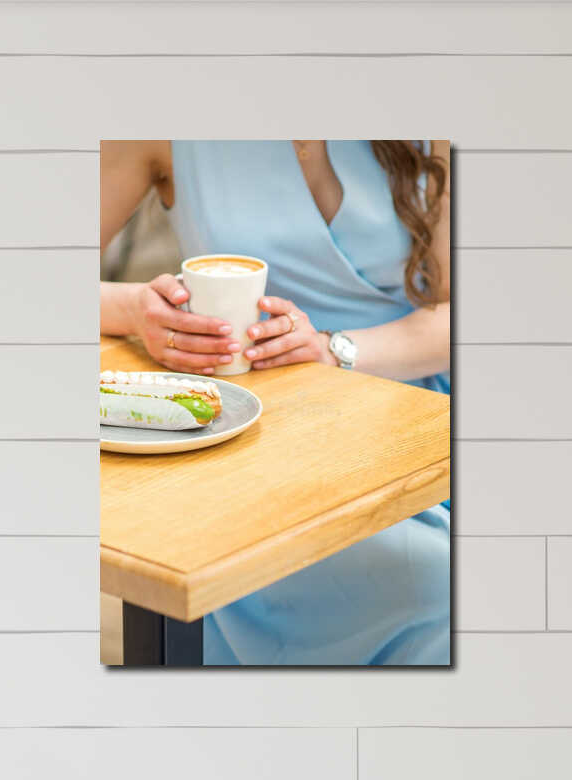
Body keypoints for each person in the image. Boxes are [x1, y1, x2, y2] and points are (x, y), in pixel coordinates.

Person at [100, 140, 452, 666]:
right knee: (426, 588)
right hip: (248, 435)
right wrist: (136, 309)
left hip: (413, 421)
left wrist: (333, 350)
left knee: (434, 586)